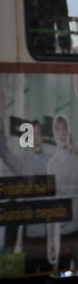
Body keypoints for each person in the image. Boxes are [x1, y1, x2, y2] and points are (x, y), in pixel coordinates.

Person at [46, 113, 78, 270]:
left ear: (68, 132)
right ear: (54, 133)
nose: (61, 133)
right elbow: (52, 204)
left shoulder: (76, 159)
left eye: (64, 129)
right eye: (58, 129)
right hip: (65, 229)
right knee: (64, 271)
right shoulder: (52, 164)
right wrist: (52, 241)